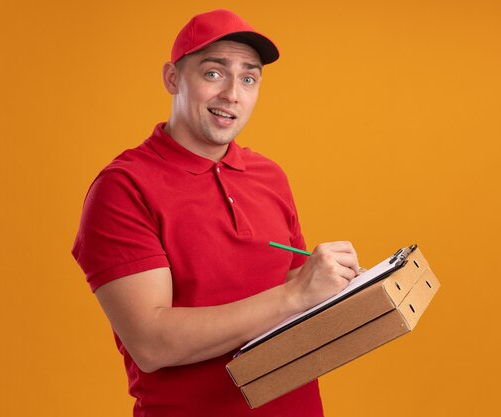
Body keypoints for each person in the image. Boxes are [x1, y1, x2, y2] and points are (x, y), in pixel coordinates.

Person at [72, 9, 360, 417]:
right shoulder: (123, 188)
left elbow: (295, 291)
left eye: (248, 78)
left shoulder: (269, 175)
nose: (232, 94)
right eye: (213, 73)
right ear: (172, 78)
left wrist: (343, 288)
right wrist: (295, 293)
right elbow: (151, 343)